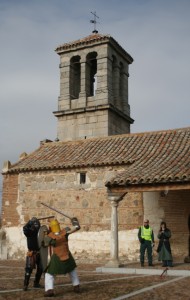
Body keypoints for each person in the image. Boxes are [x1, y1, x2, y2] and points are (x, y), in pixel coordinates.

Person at [43, 217, 80, 297]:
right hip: (67, 256)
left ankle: (49, 290)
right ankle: (76, 286)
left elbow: (45, 244)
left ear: (51, 227)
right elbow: (76, 227)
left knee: (49, 274)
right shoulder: (65, 232)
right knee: (72, 270)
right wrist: (75, 222)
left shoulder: (50, 237)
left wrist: (46, 234)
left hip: (57, 258)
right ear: (58, 225)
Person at [23, 217, 43, 291]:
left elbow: (45, 232)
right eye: (35, 223)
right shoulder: (29, 231)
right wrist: (29, 222)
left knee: (40, 268)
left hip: (40, 252)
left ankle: (36, 283)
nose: (37, 225)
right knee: (28, 269)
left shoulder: (40, 231)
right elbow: (24, 228)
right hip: (31, 252)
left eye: (37, 223)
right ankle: (25, 285)